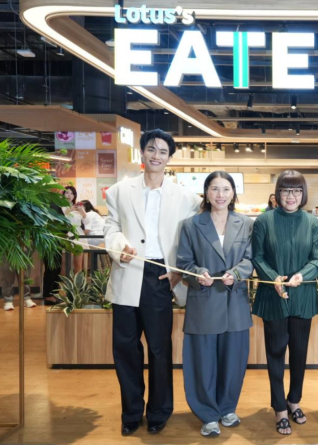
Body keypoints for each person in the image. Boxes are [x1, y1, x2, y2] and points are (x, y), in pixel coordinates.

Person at [103, 129, 201, 436]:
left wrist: (179, 271)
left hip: (161, 277)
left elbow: (190, 238)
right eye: (151, 149)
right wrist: (120, 247)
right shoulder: (119, 191)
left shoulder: (186, 198)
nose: (156, 155)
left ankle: (159, 411)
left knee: (159, 348)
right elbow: (111, 228)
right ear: (142, 152)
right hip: (128, 270)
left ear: (169, 158)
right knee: (126, 348)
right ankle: (131, 412)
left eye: (162, 151)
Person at [176, 171, 254, 437]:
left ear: (233, 193)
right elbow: (184, 263)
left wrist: (238, 273)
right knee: (202, 362)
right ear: (206, 193)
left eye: (226, 189)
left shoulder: (246, 223)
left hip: (235, 303)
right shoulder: (191, 225)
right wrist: (198, 273)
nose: (220, 195)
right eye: (214, 189)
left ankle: (227, 408)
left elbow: (250, 259)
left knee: (234, 360)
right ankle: (207, 414)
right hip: (204, 302)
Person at [251, 170, 318, 435]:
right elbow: (257, 257)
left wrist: (302, 275)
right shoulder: (264, 221)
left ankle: (294, 400)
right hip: (273, 296)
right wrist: (274, 277)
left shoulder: (313, 222)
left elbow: (317, 260)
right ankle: (280, 407)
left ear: (303, 193)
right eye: (285, 190)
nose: (291, 196)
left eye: (296, 190)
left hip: (303, 296)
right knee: (275, 352)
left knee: (300, 353)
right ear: (277, 193)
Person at [63, 186, 85, 273]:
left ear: (74, 195)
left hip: (78, 235)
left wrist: (81, 211)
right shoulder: (60, 206)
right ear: (63, 194)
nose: (69, 195)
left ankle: (78, 281)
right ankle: (63, 282)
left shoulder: (78, 207)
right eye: (67, 193)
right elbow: (61, 219)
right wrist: (69, 210)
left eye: (72, 193)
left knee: (78, 264)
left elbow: (87, 221)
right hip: (66, 233)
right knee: (64, 264)